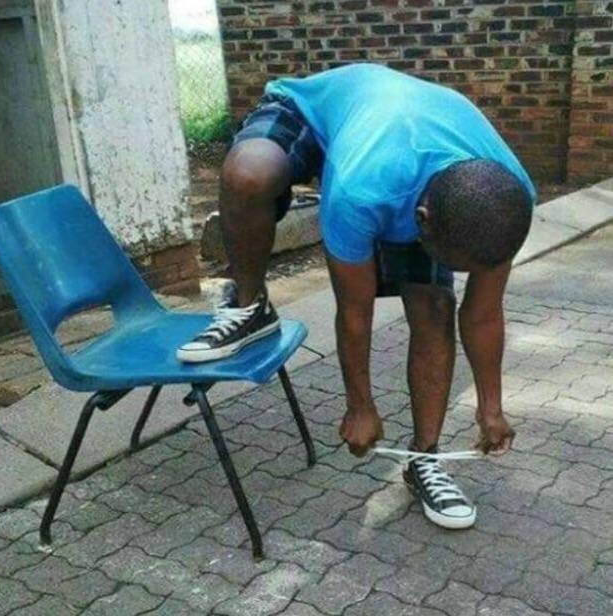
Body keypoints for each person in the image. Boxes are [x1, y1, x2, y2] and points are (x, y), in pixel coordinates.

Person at [177, 64, 535, 529]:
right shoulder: (359, 189)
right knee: (249, 173)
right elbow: (354, 311)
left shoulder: (507, 201)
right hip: (313, 112)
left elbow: (483, 314)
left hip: (404, 149)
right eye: (451, 261)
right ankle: (251, 304)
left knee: (434, 305)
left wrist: (491, 408)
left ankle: (424, 458)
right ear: (422, 220)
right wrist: (359, 405)